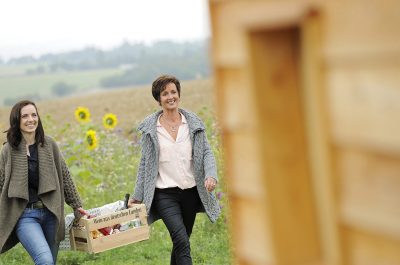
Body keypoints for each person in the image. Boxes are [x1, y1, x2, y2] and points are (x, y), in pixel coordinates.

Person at [128, 75, 221, 265]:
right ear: (158, 99)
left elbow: (206, 154)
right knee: (181, 241)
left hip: (191, 193)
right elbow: (145, 164)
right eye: (165, 94)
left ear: (179, 94)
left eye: (173, 92)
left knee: (181, 242)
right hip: (165, 195)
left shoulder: (193, 125)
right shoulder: (151, 130)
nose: (170, 97)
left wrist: (211, 175)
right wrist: (137, 196)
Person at [0, 100, 85, 265]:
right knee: (44, 260)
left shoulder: (49, 144)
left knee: (50, 262)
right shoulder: (8, 150)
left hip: (51, 213)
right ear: (17, 120)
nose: (30, 119)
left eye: (34, 114)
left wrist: (77, 205)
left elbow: (65, 175)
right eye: (25, 116)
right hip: (25, 216)